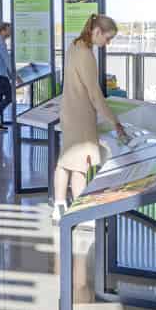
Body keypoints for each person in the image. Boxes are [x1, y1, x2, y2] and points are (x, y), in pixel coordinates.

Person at [53, 14, 128, 223]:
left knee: (65, 162)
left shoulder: (74, 46)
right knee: (80, 167)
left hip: (68, 112)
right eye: (108, 38)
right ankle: (82, 214)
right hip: (81, 116)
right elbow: (95, 95)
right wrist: (115, 121)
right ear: (97, 32)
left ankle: (59, 206)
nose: (108, 43)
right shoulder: (86, 54)